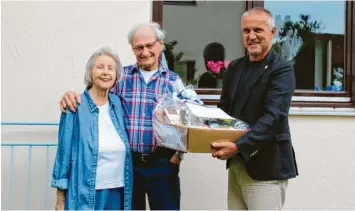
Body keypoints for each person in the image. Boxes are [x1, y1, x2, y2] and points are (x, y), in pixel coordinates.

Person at [59, 22, 185, 210]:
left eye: (150, 45)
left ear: (160, 44)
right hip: (129, 165)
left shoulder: (174, 81)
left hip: (163, 163)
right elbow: (97, 96)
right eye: (139, 47)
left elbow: (188, 120)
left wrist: (179, 154)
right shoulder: (121, 77)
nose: (145, 51)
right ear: (133, 49)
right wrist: (72, 95)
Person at [211, 8, 298, 210]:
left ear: (272, 32)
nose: (251, 36)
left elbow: (273, 117)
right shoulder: (235, 68)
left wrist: (239, 146)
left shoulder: (282, 69)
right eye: (246, 31)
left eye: (258, 30)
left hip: (266, 168)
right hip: (237, 165)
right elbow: (224, 110)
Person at [51, 47, 133, 210]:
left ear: (116, 76)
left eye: (111, 68)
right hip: (86, 192)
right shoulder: (75, 105)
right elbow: (63, 152)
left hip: (118, 189)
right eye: (100, 67)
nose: (105, 72)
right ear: (90, 72)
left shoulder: (117, 103)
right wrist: (60, 198)